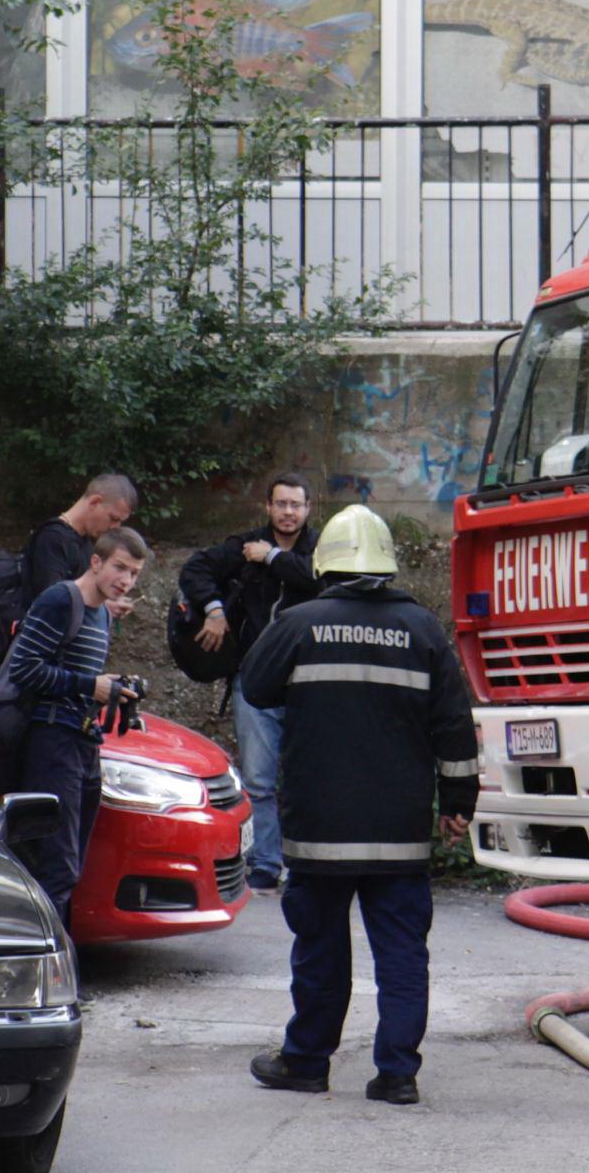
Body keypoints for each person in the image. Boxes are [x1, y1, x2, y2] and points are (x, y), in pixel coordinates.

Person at [240, 505, 478, 1107]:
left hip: (319, 828)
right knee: (402, 955)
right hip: (398, 832)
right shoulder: (423, 630)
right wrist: (458, 801)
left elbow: (256, 685)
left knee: (319, 951)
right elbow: (455, 725)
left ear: (325, 565)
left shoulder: (299, 622)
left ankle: (307, 1062)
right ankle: (396, 1074)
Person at [0, 525, 150, 923]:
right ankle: (48, 969)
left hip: (83, 742)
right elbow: (25, 669)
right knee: (56, 867)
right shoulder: (60, 600)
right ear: (95, 562)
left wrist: (113, 689)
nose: (126, 581)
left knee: (71, 866)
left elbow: (78, 678)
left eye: (134, 574)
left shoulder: (101, 614)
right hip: (52, 741)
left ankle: (56, 965)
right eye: (120, 568)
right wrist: (91, 686)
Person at [179, 472, 320, 892]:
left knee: (304, 776)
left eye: (296, 505)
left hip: (308, 681)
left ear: (308, 509)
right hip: (254, 678)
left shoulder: (319, 550)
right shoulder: (244, 545)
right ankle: (265, 862)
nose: (288, 512)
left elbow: (319, 579)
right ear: (268, 507)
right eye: (281, 504)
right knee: (258, 779)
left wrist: (272, 557)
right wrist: (215, 609)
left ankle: (303, 863)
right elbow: (196, 568)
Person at [26, 473, 140, 601]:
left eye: (120, 522)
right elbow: (51, 600)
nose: (115, 527)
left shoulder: (88, 543)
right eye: (113, 518)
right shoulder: (51, 538)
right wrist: (103, 607)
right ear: (94, 502)